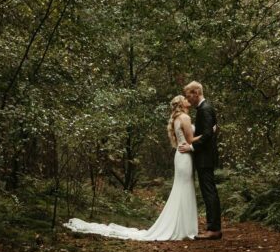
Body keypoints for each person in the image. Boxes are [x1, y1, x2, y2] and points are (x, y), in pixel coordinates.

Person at [64, 95, 199, 241]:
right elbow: (191, 140)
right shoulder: (185, 118)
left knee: (181, 189)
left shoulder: (178, 118)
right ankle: (182, 228)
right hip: (185, 156)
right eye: (185, 98)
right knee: (183, 188)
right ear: (181, 103)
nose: (188, 100)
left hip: (181, 155)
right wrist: (208, 133)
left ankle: (181, 227)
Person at [179, 80, 222, 240]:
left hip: (205, 158)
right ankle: (214, 227)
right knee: (209, 191)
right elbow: (211, 130)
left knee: (209, 192)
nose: (187, 98)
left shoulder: (205, 109)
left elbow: (208, 135)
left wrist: (191, 148)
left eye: (188, 95)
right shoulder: (205, 108)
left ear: (196, 93)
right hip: (206, 156)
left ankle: (214, 229)